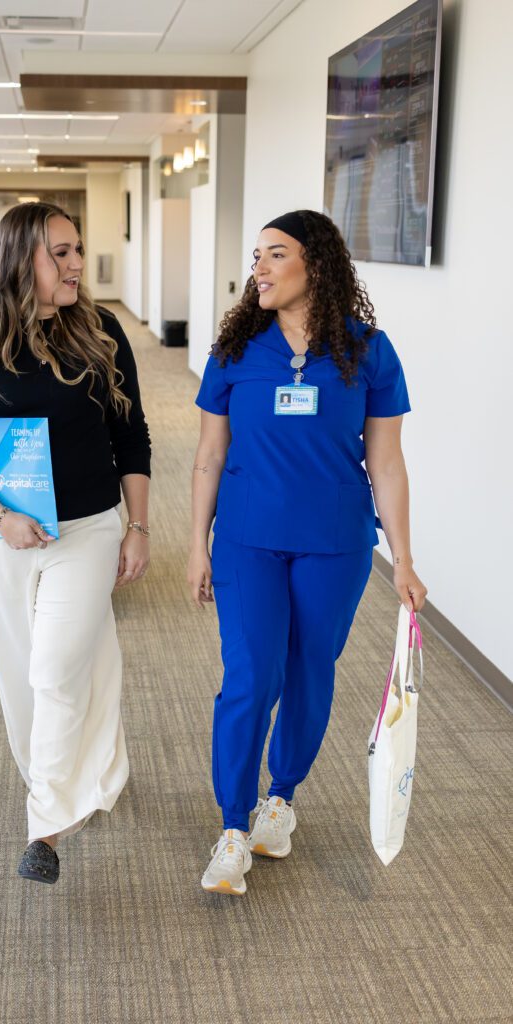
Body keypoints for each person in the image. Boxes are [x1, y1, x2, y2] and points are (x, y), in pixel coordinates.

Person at [188, 210, 427, 897]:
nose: (257, 267)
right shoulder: (235, 351)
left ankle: (278, 800)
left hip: (334, 545)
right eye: (255, 255)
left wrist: (403, 559)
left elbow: (386, 464)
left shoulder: (368, 351)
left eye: (274, 254)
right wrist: (195, 546)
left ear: (314, 266)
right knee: (249, 677)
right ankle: (232, 828)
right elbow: (208, 454)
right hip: (246, 541)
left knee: (308, 673)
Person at [0, 202, 151, 884]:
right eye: (61, 252)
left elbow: (131, 435)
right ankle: (81, 772)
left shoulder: (100, 330)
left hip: (85, 530)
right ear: (21, 258)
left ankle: (44, 829)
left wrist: (137, 527)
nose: (77, 262)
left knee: (55, 671)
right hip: (2, 534)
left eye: (77, 248)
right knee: (25, 673)